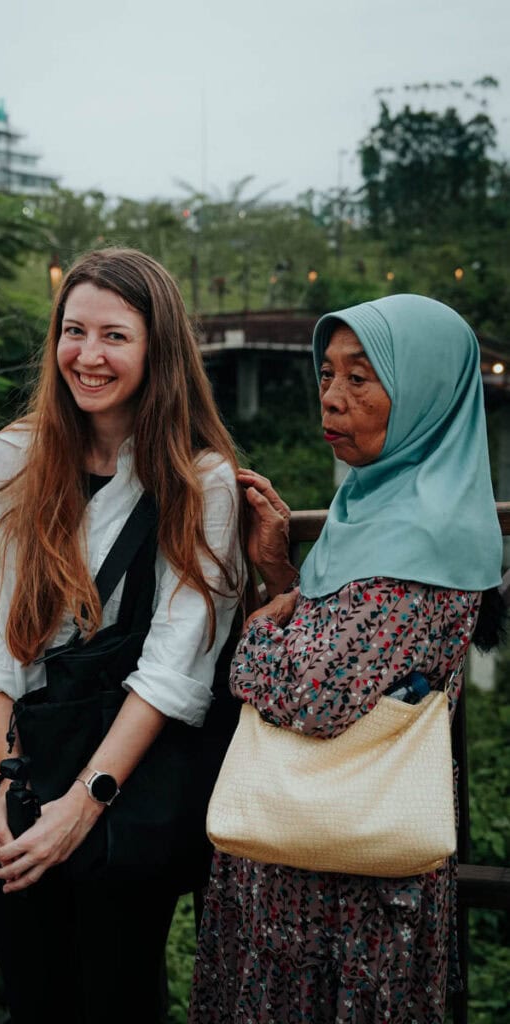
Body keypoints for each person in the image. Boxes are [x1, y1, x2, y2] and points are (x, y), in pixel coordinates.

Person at [188, 293, 505, 1024]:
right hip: (307, 851)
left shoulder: (420, 541)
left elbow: (313, 692)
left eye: (360, 378)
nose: (331, 398)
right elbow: (340, 653)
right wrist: (284, 581)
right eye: (325, 374)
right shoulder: (375, 507)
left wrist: (259, 633)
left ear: (425, 391)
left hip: (346, 894)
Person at [0, 247, 246, 1023]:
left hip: (127, 779)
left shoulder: (199, 478)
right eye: (73, 331)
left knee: (116, 992)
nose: (87, 355)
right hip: (23, 758)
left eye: (114, 336)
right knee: (32, 992)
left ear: (157, 348)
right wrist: (13, 780)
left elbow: (174, 666)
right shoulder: (17, 454)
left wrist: (85, 804)